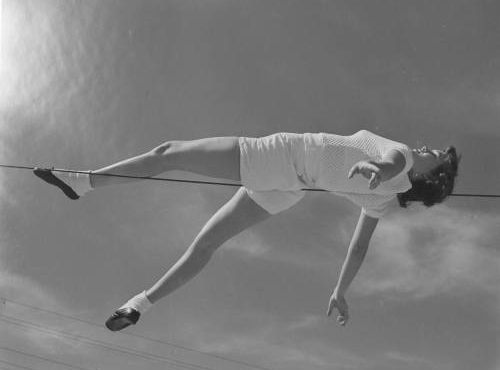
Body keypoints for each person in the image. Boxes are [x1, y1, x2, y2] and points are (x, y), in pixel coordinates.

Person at [33, 130, 460, 330]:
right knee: (207, 244)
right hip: (289, 188)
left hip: (280, 159)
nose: (426, 146)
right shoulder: (383, 200)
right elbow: (359, 248)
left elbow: (394, 161)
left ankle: (83, 183)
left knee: (169, 153)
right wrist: (340, 290)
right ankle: (140, 304)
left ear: (432, 175)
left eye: (435, 153)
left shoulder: (399, 157)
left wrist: (378, 166)